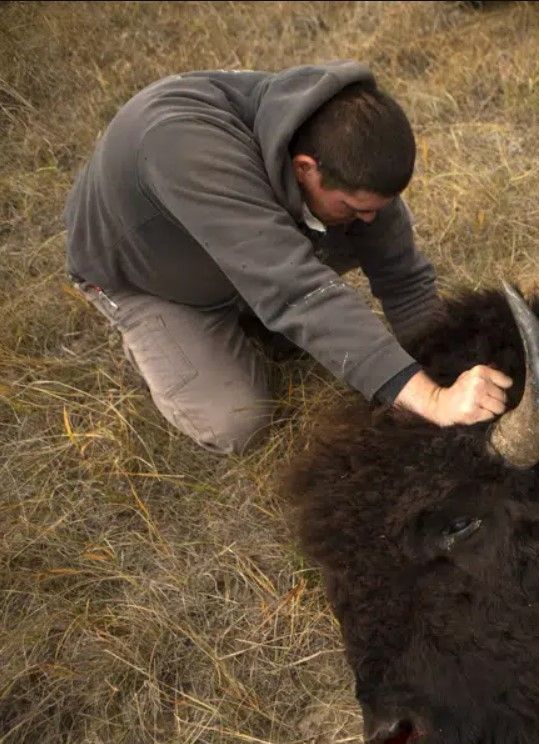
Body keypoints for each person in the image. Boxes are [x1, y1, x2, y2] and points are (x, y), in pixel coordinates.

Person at [62, 61, 512, 454]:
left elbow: (404, 280)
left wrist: (445, 369)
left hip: (250, 243)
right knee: (237, 421)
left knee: (347, 239)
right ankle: (160, 336)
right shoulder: (185, 151)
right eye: (357, 209)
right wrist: (429, 401)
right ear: (304, 169)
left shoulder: (348, 145)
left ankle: (255, 306)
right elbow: (299, 293)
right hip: (152, 278)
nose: (371, 220)